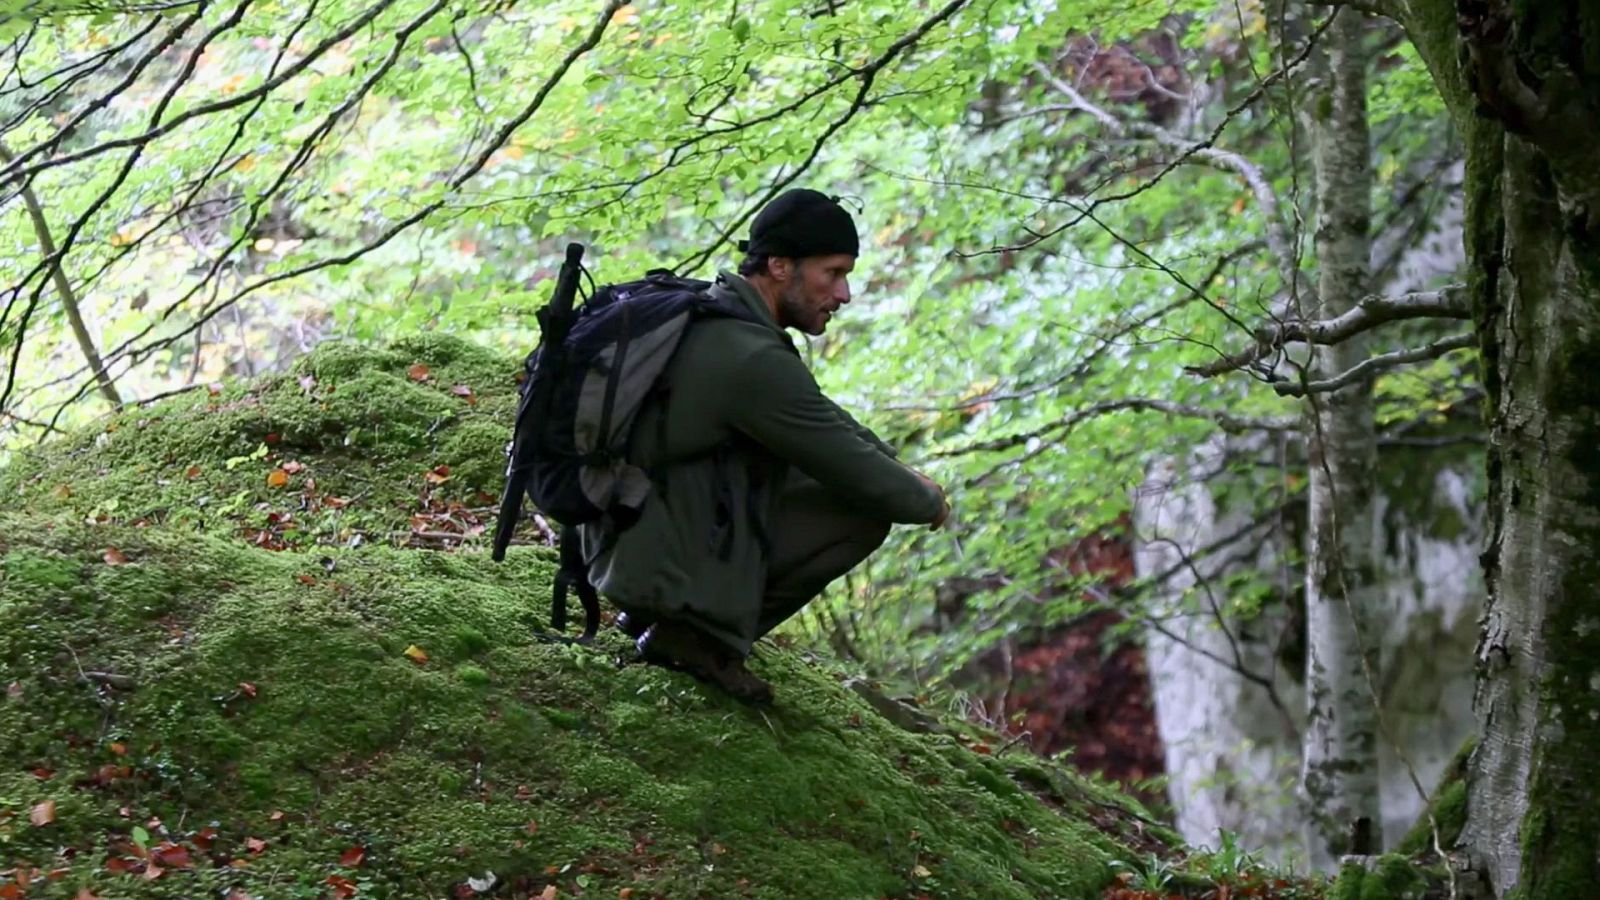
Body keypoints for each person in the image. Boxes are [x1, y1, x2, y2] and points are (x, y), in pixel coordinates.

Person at [579, 189, 950, 704]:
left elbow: (827, 424)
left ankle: (662, 614)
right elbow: (854, 467)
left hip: (624, 542)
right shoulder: (748, 357)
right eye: (833, 273)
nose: (843, 294)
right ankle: (695, 638)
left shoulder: (727, 324)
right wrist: (925, 498)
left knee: (804, 471)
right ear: (779, 266)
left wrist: (897, 467)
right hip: (642, 555)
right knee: (863, 511)